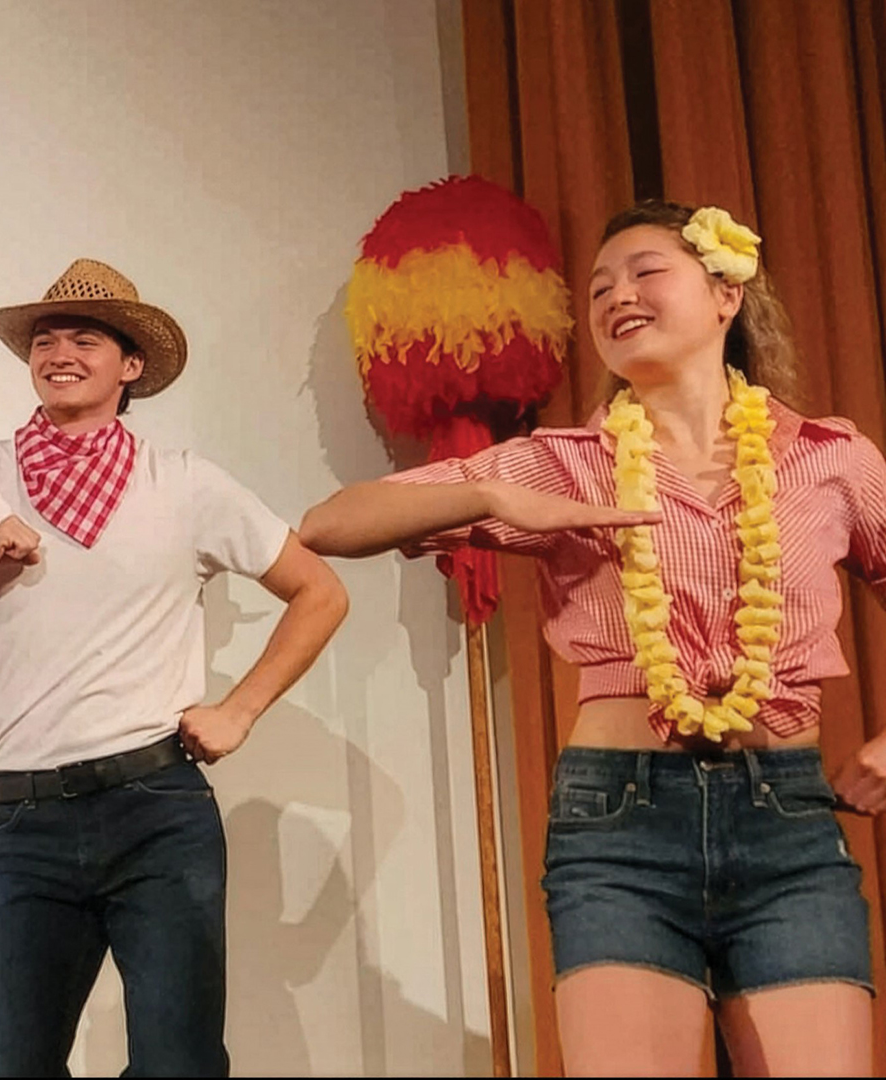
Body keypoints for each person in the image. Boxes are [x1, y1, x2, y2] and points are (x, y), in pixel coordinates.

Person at [300, 201, 885, 1076]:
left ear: (725, 295)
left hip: (788, 825)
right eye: (600, 287)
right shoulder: (560, 463)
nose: (618, 296)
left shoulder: (829, 457)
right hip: (619, 825)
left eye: (646, 272)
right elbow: (328, 525)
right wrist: (490, 496)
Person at [0, 258, 348, 1077]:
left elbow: (320, 591)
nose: (60, 353)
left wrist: (238, 709)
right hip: (25, 821)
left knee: (179, 1066)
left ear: (131, 366)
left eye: (85, 338)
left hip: (156, 808)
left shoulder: (184, 483)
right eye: (46, 339)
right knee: (8, 1067)